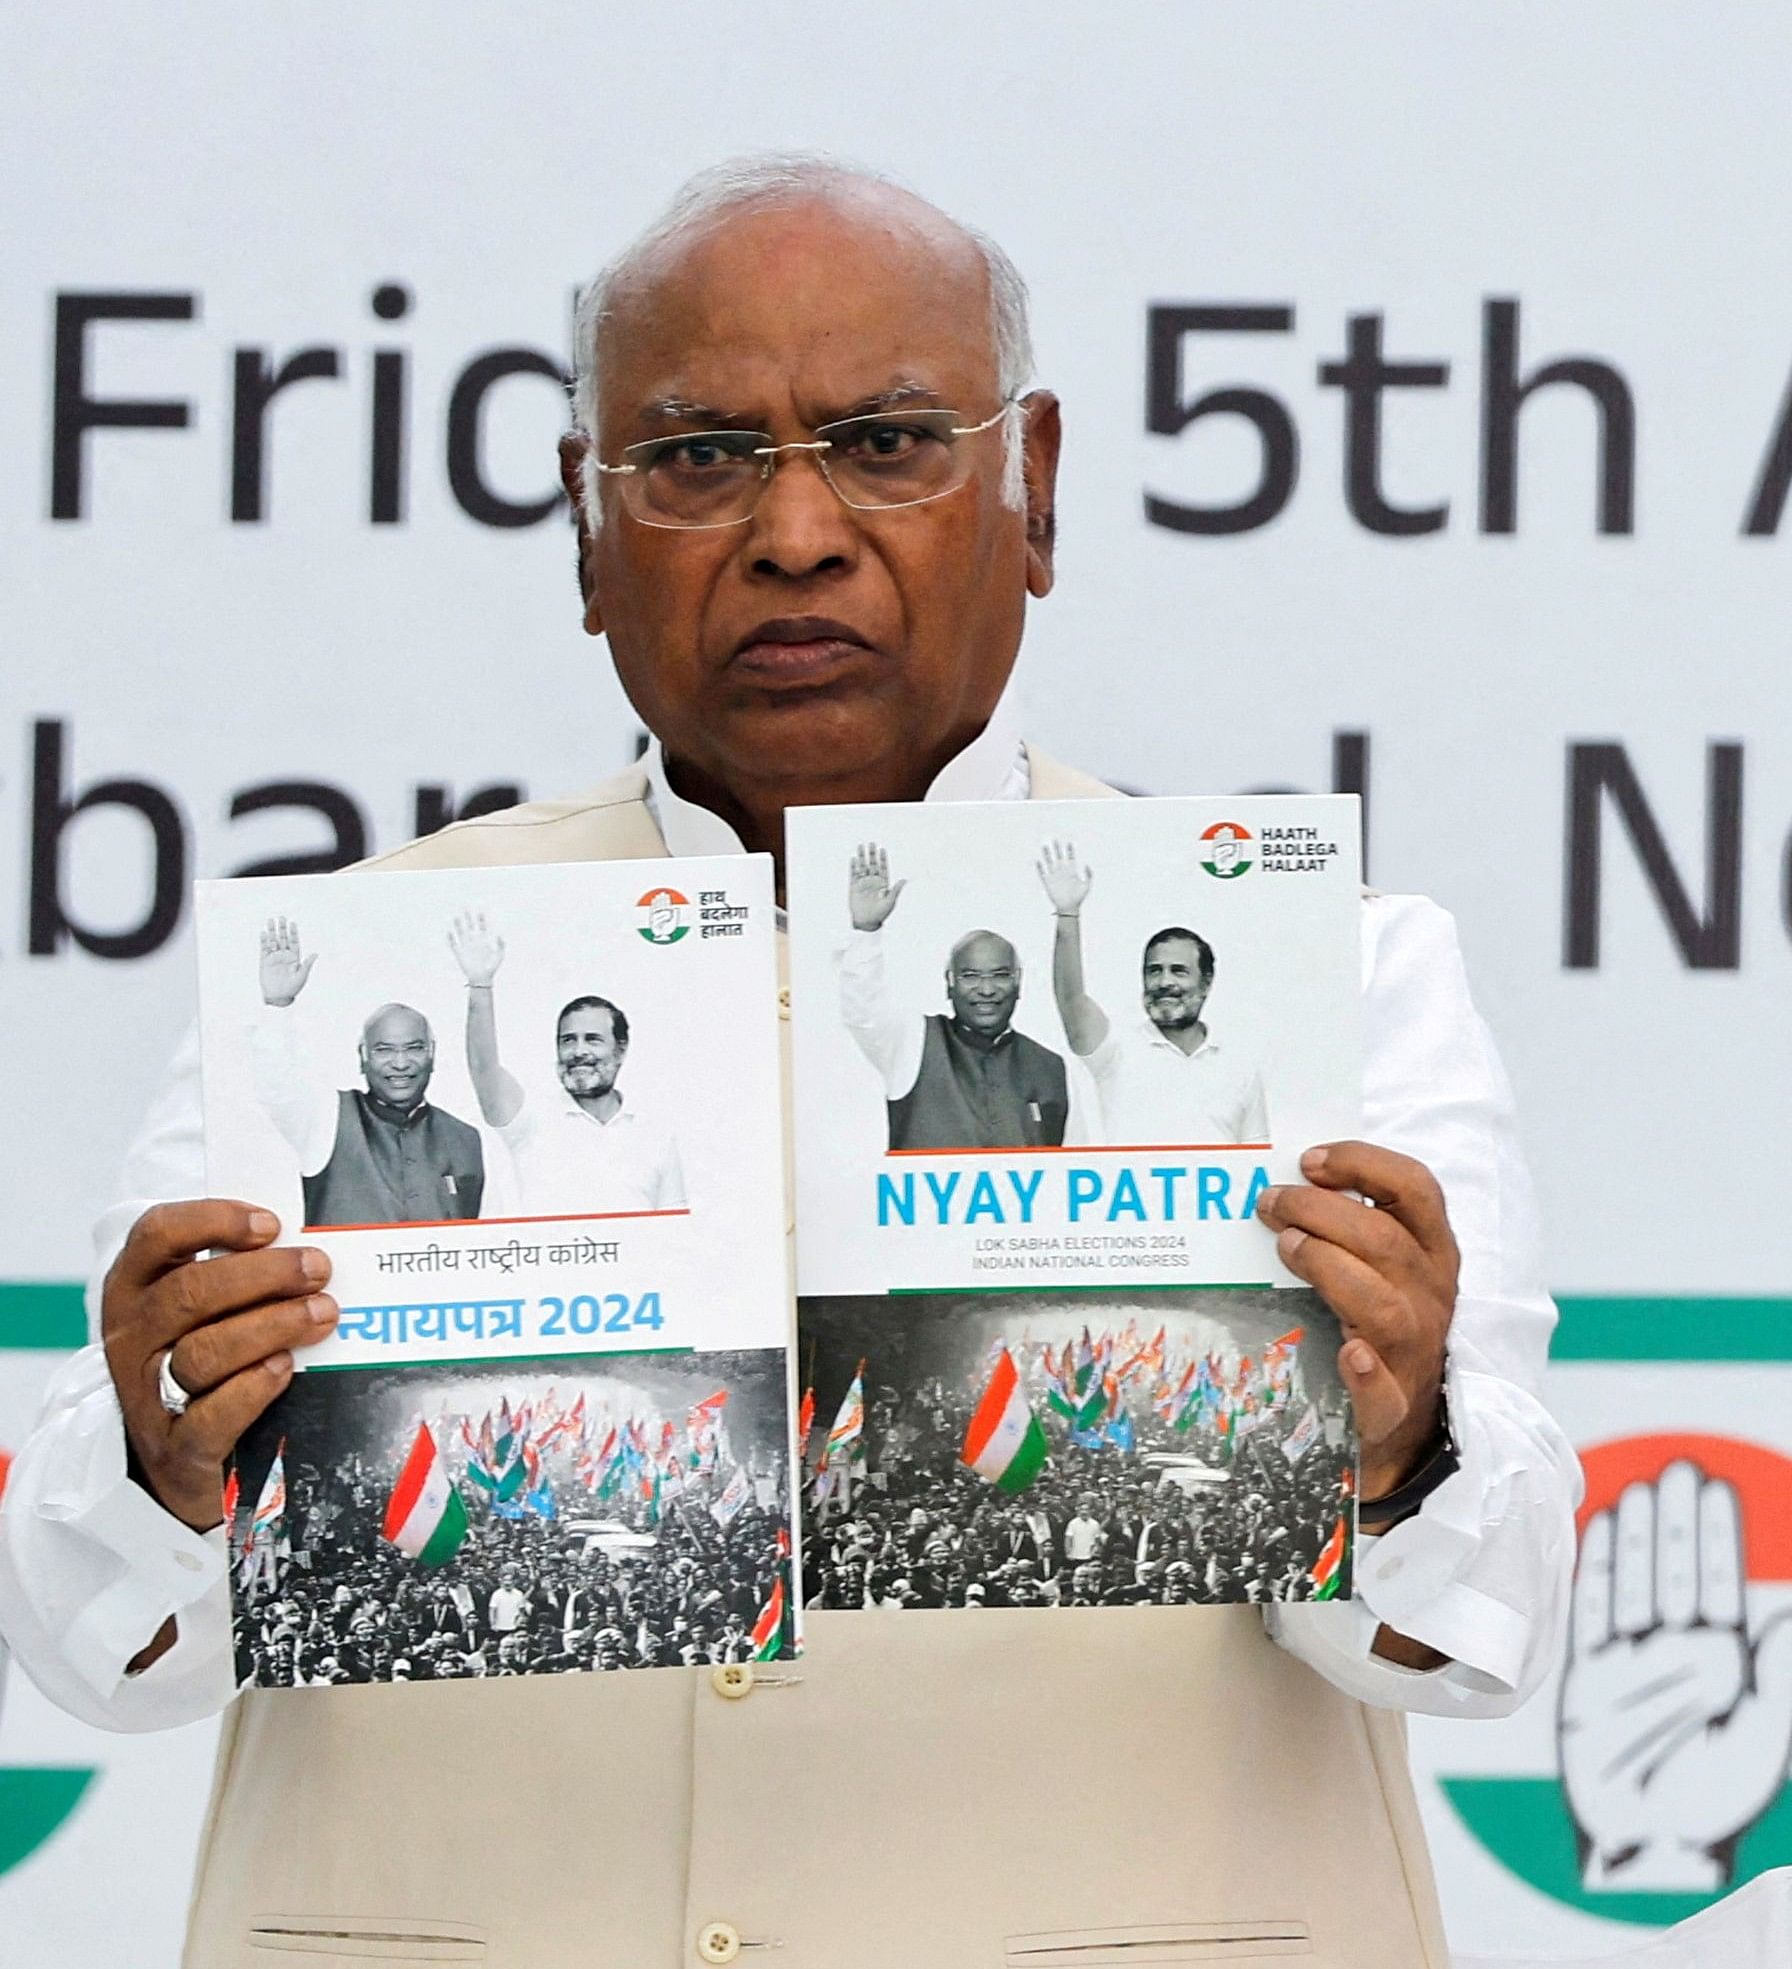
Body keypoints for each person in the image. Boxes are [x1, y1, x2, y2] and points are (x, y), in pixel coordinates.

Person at [0, 153, 1576, 1969]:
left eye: (889, 441)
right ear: (587, 536)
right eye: (697, 458)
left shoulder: (1329, 963)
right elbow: (98, 1643)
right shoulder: (360, 975)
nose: (799, 530)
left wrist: (1397, 1443)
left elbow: (1489, 1619)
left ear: (1033, 490)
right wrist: (157, 1454)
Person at [245, 917, 486, 1227]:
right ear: (363, 1057)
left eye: (413, 1048)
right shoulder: (326, 1118)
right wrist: (278, 1004)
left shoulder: (466, 1138)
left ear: (432, 1054)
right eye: (384, 1050)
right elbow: (277, 1084)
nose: (400, 1063)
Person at [450, 909, 689, 1213]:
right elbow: (483, 1069)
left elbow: (674, 1227)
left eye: (593, 1039)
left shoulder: (655, 1135)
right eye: (568, 1040)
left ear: (621, 1050)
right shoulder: (531, 1119)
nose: (578, 1052)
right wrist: (480, 985)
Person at [1040, 840, 1272, 1147]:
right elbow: (1071, 1000)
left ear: (1206, 982)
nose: (1164, 982)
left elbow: (1254, 1158)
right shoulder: (1115, 1049)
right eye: (1154, 970)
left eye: (1178, 970)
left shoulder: (1239, 1066)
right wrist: (1068, 915)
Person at [838, 845, 1071, 1148]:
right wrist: (866, 931)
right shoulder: (913, 1042)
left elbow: (1068, 1165)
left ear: (1018, 983)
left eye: (999, 975)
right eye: (970, 976)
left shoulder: (1050, 1066)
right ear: (949, 983)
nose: (986, 990)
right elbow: (863, 1008)